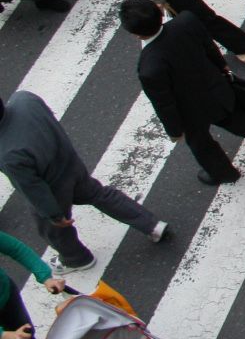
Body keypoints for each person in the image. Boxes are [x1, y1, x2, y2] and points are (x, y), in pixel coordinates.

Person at [118, 0, 245, 185]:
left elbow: (164, 103)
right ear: (158, 13)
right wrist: (222, 68)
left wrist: (174, 130)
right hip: (215, 88)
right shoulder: (186, 22)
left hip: (190, 111)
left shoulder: (149, 67)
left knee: (201, 144)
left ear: (137, 35)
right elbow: (209, 46)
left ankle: (224, 173)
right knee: (236, 119)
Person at [0, 90, 167, 271]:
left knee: (53, 229)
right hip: (71, 163)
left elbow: (32, 187)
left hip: (53, 187)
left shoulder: (7, 154)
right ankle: (151, 225)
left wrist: (53, 215)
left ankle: (76, 259)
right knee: (99, 194)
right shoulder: (24, 99)